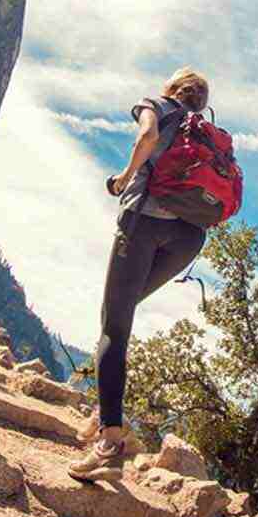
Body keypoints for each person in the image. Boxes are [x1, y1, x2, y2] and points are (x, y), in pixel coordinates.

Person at [68, 67, 211, 482]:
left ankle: (110, 443)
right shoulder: (203, 130)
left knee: (114, 324)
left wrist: (123, 178)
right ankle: (103, 412)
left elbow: (147, 137)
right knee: (121, 314)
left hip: (145, 221)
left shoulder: (158, 106)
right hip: (189, 237)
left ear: (173, 88)